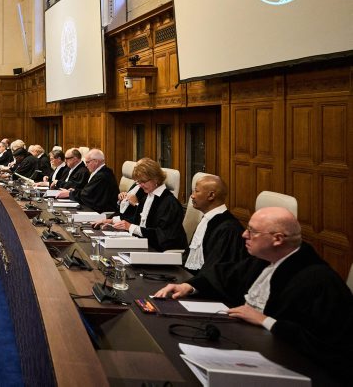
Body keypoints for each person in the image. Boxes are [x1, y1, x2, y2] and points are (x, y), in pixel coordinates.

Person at [154, 207, 353, 376]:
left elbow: (329, 347)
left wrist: (266, 321)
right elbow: (227, 275)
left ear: (277, 239)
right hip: (245, 342)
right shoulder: (265, 258)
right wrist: (188, 286)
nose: (244, 235)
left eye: (252, 231)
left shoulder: (318, 281)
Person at [101, 158, 187, 251]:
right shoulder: (147, 197)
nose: (140, 185)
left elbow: (163, 236)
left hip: (160, 252)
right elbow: (135, 220)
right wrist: (113, 222)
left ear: (156, 179)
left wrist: (131, 227)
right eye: (138, 182)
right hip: (143, 245)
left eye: (143, 181)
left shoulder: (170, 203)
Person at [183, 174, 246, 273]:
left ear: (211, 195)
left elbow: (217, 270)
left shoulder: (228, 228)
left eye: (196, 191)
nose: (192, 196)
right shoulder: (206, 219)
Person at [66, 149, 117, 214]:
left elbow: (87, 196)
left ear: (96, 161)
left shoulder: (102, 176)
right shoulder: (101, 172)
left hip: (102, 213)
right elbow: (89, 192)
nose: (86, 165)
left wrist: (70, 194)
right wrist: (75, 190)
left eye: (87, 162)